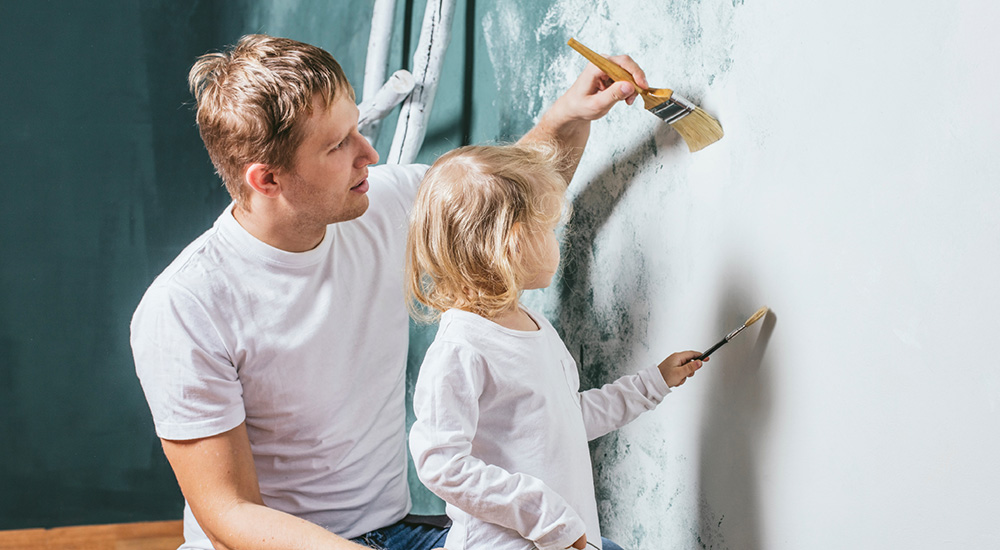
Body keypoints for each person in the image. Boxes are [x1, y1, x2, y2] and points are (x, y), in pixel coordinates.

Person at [129, 33, 648, 550]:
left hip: (395, 534)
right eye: (337, 145)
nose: (368, 154)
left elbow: (500, 206)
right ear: (266, 180)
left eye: (356, 128)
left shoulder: (384, 201)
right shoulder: (185, 307)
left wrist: (570, 114)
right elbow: (228, 512)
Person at [405, 143, 707, 550]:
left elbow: (563, 420)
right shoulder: (461, 349)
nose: (555, 240)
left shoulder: (533, 326)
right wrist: (543, 514)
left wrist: (653, 383)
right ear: (511, 245)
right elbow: (440, 464)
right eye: (546, 229)